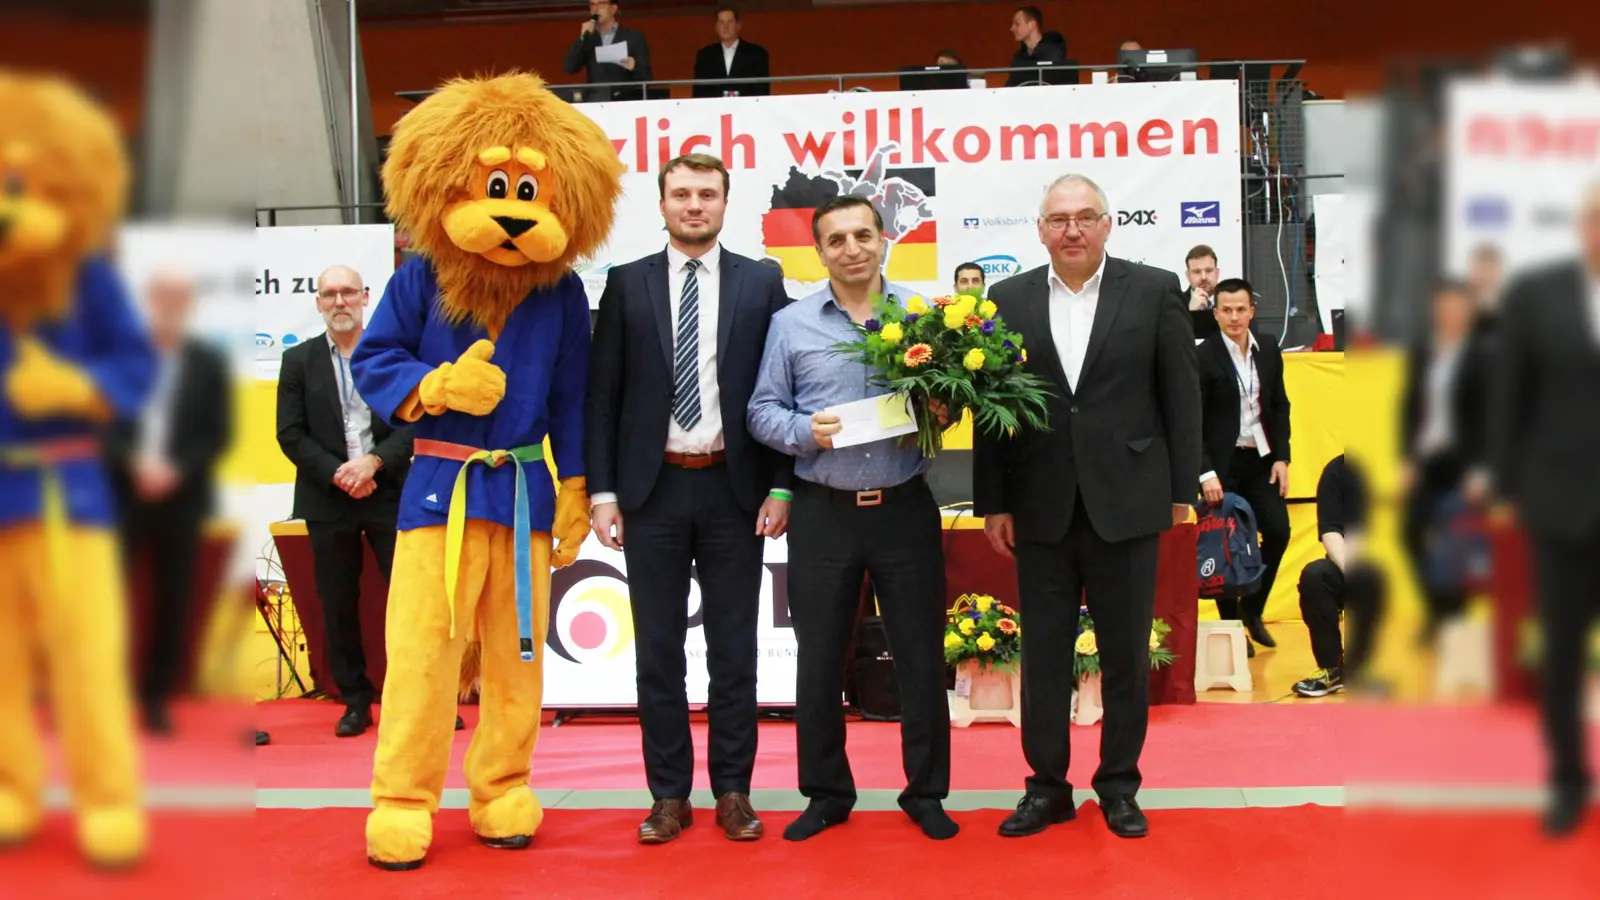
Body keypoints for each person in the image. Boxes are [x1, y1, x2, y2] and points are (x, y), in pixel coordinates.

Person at [973, 173, 1201, 840]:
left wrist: (1181, 491)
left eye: (1084, 217)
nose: (1071, 229)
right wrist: (993, 501)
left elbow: (1180, 397)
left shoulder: (1154, 289)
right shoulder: (1007, 298)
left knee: (1125, 656)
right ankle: (1046, 788)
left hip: (1128, 501)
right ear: (1041, 230)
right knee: (1043, 659)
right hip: (1038, 505)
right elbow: (993, 409)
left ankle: (1119, 786)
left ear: (1107, 224)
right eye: (1058, 219)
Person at [587, 154, 793, 843]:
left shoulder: (762, 282)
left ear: (725, 204)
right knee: (658, 653)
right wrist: (604, 492)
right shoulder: (626, 282)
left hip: (736, 490)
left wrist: (781, 483)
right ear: (663, 204)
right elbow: (602, 396)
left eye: (707, 193)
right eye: (682, 194)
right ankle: (668, 796)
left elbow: (784, 388)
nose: (694, 204)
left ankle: (733, 791)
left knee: (734, 652)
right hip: (653, 492)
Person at [748, 194, 957, 842]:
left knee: (920, 658)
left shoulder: (923, 317)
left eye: (863, 235)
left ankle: (926, 793)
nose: (852, 249)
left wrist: (945, 408)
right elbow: (761, 411)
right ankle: (826, 794)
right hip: (823, 512)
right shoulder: (791, 325)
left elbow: (953, 396)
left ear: (884, 238)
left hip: (904, 507)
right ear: (819, 252)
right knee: (818, 662)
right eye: (836, 240)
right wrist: (804, 431)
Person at [1490, 181, 1600, 837]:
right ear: (1583, 225)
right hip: (1560, 505)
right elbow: (1510, 394)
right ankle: (1567, 782)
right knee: (1561, 651)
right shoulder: (1537, 294)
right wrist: (1506, 488)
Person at [275, 265, 415, 737]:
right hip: (328, 498)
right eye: (330, 294)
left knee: (410, 601)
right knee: (337, 604)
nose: (339, 301)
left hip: (388, 492)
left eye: (348, 292)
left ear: (365, 297)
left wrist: (373, 464)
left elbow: (415, 424)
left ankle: (417, 700)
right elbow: (290, 433)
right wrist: (343, 474)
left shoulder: (393, 357)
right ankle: (355, 701)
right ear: (318, 302)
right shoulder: (298, 361)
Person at [105, 268, 231, 735]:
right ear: (149, 299)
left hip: (183, 499)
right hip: (122, 496)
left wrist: (175, 471)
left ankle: (156, 699)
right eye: (163, 295)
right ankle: (102, 694)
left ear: (190, 303)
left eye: (180, 296)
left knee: (172, 603)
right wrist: (133, 464)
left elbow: (217, 433)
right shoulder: (120, 357)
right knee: (106, 601)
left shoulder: (208, 362)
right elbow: (100, 423)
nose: (170, 304)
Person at [1197, 278, 1291, 651]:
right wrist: (1205, 472)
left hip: (1260, 458)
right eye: (1227, 310)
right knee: (1224, 545)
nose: (1234, 317)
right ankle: (1233, 628)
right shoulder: (1203, 356)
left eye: (1241, 309)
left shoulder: (1267, 348)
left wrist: (1282, 456)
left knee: (1278, 532)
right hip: (1220, 466)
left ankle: (1252, 610)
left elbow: (1280, 405)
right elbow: (1191, 421)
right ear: (1215, 313)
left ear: (1252, 311)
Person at [1399, 279, 1489, 642]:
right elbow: (1408, 407)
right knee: (1410, 533)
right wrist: (1407, 459)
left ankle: (1456, 617)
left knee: (1458, 540)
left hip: (1463, 464)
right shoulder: (1423, 352)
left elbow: (1493, 416)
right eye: (1444, 308)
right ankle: (1439, 610)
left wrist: (1482, 469)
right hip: (1427, 460)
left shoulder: (1484, 355)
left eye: (1457, 308)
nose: (1450, 315)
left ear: (1468, 312)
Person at [1293, 454, 1386, 697]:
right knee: (1316, 576)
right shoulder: (1337, 471)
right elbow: (1330, 532)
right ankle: (1333, 668)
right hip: (1353, 561)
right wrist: (1353, 571)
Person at [564, 0, 654, 102]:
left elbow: (647, 78)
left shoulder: (633, 37)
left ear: (613, 9)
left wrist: (634, 66)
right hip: (596, 101)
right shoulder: (589, 39)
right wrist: (582, 38)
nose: (596, 9)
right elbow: (570, 68)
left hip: (625, 102)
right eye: (592, 5)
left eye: (601, 4)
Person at [691, 7, 770, 98]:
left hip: (746, 106)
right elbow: (699, 92)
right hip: (714, 106)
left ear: (738, 25)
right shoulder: (705, 55)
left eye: (730, 22)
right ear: (716, 27)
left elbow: (761, 90)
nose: (725, 27)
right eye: (721, 22)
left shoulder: (757, 53)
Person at [1004, 7, 1068, 86]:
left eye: (1017, 24)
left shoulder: (1054, 53)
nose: (1012, 28)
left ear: (1032, 25)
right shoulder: (1018, 59)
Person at [1182, 245, 1221, 339]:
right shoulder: (1176, 303)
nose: (1203, 277)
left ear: (1217, 273)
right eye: (1197, 272)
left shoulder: (1231, 303)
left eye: (1208, 271)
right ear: (1188, 276)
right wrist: (1190, 313)